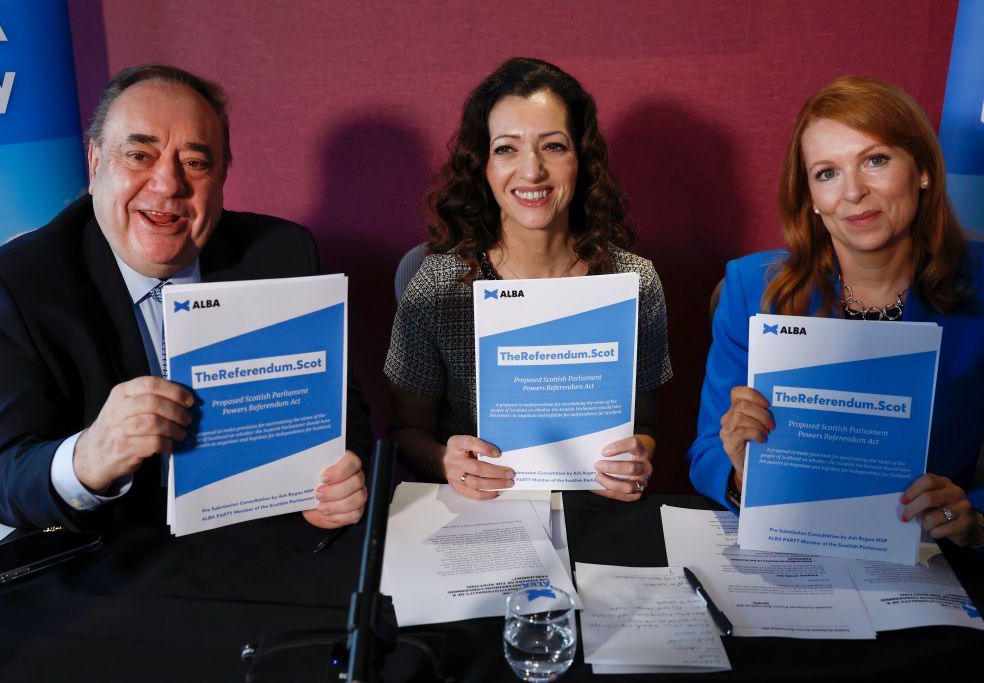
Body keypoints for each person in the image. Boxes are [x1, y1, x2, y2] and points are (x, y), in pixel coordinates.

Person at [0, 64, 371, 533]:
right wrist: (90, 456)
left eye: (196, 163)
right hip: (114, 557)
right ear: (96, 164)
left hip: (265, 538)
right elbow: (5, 482)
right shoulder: (15, 284)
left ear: (221, 179)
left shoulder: (283, 251)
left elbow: (343, 409)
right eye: (139, 155)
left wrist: (339, 478)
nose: (168, 184)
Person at [687, 75, 984, 547]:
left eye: (876, 160)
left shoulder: (980, 285)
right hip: (790, 550)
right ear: (810, 199)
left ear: (923, 170)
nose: (853, 192)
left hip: (929, 560)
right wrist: (744, 473)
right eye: (827, 173)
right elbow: (706, 454)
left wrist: (974, 517)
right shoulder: (751, 289)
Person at [385, 57, 672, 501]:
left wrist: (639, 456)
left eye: (553, 146)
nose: (532, 170)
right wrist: (444, 461)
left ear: (582, 158)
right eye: (506, 148)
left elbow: (647, 425)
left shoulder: (635, 282)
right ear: (482, 164)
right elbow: (405, 430)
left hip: (594, 507)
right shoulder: (437, 287)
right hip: (483, 513)